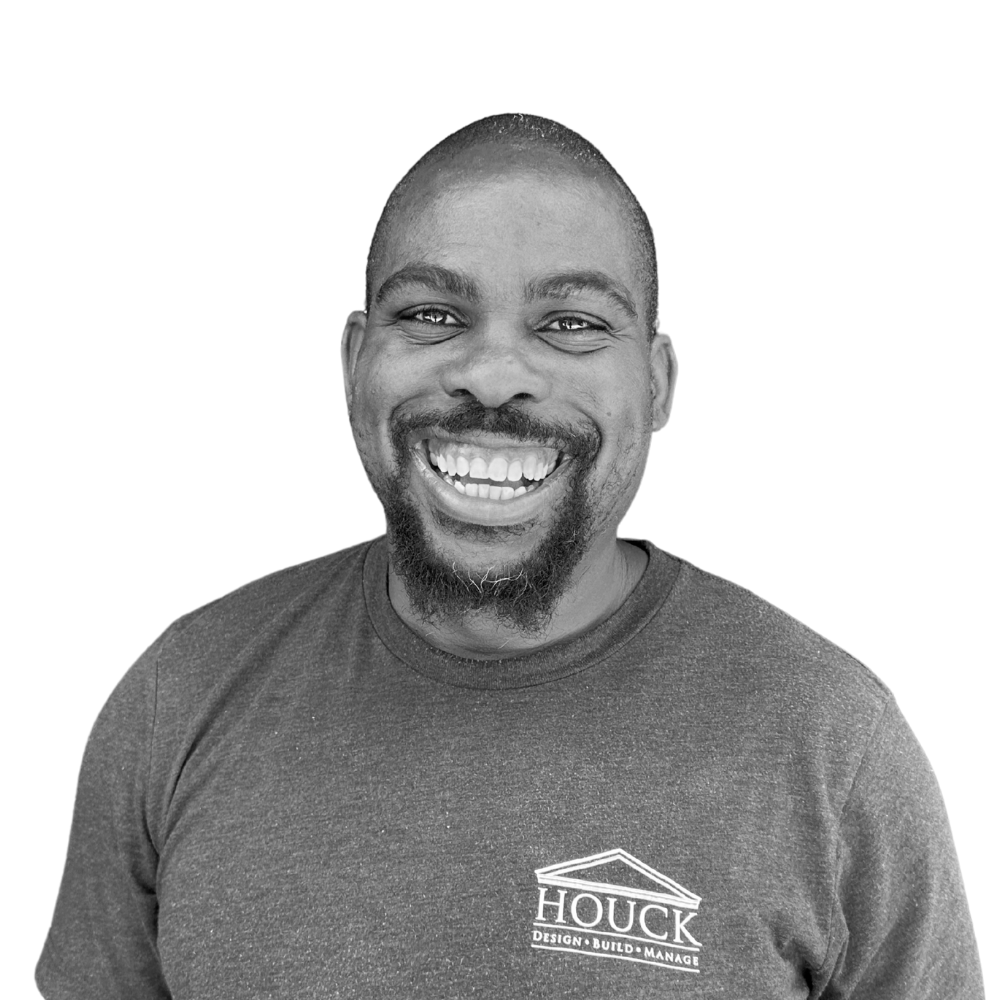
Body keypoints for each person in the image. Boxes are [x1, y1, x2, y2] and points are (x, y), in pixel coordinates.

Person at [36, 113, 983, 999]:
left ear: (653, 384)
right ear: (355, 362)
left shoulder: (831, 743)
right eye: (433, 315)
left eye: (570, 323)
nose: (491, 373)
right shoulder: (181, 698)